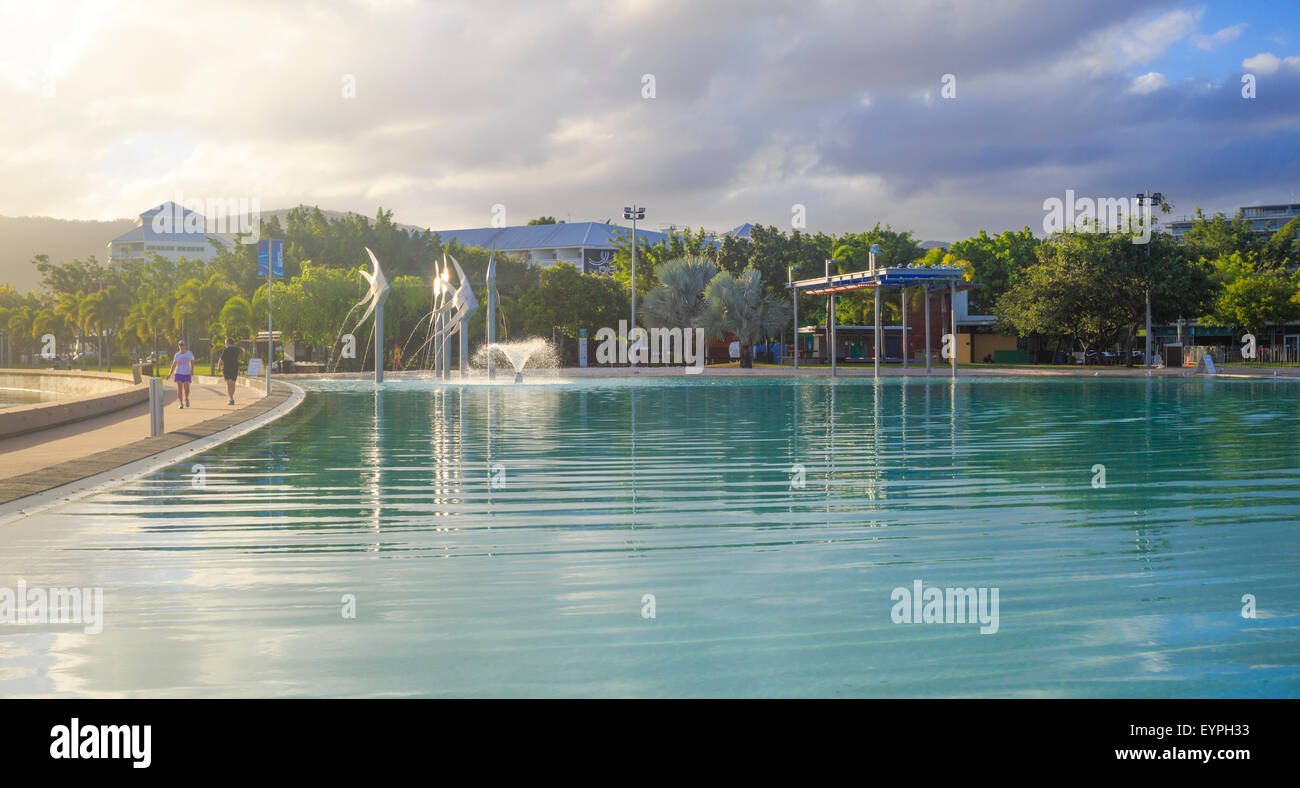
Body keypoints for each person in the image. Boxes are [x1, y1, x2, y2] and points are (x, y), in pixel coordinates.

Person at [167, 339, 195, 409]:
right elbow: (174, 364)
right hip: (178, 373)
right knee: (179, 388)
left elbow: (192, 362)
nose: (181, 347)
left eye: (182, 345)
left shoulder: (189, 353)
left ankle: (186, 398)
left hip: (186, 373)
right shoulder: (177, 355)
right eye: (180, 345)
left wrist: (192, 370)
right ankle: (180, 403)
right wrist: (170, 373)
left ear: (185, 346)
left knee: (187, 389)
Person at [215, 337, 243, 405]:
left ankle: (231, 399)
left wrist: (218, 367)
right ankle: (231, 397)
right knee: (233, 384)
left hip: (227, 368)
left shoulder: (226, 350)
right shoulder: (237, 349)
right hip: (235, 368)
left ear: (227, 343)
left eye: (225, 343)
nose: (225, 345)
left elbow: (221, 359)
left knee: (229, 384)